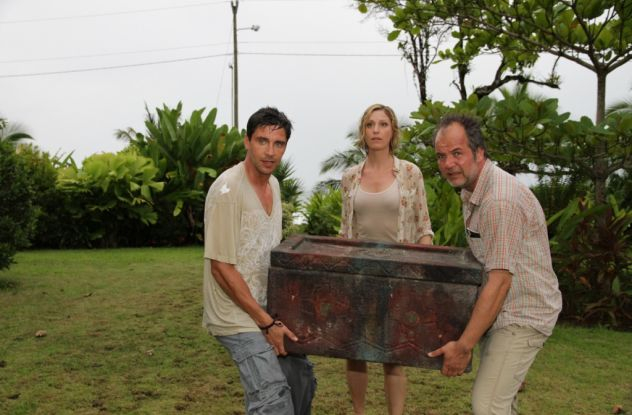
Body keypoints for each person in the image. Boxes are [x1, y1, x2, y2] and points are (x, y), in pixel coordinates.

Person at [428, 114, 562, 414]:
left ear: (479, 153)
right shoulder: (474, 189)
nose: (448, 163)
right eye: (441, 156)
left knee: (488, 405)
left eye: (457, 153)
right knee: (501, 405)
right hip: (503, 312)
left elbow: (500, 281)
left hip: (522, 314)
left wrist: (464, 347)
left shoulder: (499, 201)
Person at [203, 107, 316, 415]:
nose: (270, 151)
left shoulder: (274, 185)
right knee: (272, 398)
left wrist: (273, 316)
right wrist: (266, 323)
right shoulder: (227, 192)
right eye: (262, 141)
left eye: (278, 144)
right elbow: (221, 268)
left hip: (267, 308)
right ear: (247, 142)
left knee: (301, 380)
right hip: (233, 314)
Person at [340, 104, 433, 415]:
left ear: (393, 131)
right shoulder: (350, 177)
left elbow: (424, 228)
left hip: (398, 276)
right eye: (370, 124)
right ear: (363, 132)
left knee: (394, 353)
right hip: (359, 275)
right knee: (356, 351)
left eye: (382, 124)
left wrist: (419, 276)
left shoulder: (410, 173)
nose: (376, 130)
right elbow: (345, 231)